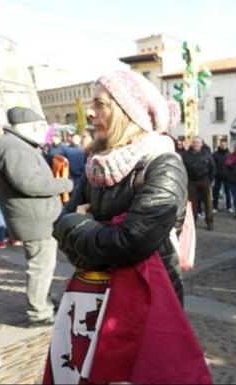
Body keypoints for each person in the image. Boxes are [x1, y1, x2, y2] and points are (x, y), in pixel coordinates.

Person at [53, 70, 188, 303]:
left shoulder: (164, 164)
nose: (90, 112)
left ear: (128, 112)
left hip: (148, 298)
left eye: (100, 103)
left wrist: (78, 224)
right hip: (98, 291)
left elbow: (131, 244)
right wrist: (90, 236)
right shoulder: (96, 163)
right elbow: (59, 227)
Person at [0, 107, 74, 326]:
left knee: (42, 266)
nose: (43, 132)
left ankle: (42, 301)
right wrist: (65, 184)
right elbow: (29, 183)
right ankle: (39, 313)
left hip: (36, 218)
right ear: (30, 127)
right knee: (40, 267)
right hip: (34, 220)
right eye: (40, 127)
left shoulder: (14, 145)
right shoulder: (13, 147)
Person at [183, 138, 216, 230]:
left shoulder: (207, 155)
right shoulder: (185, 155)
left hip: (205, 181)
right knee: (192, 204)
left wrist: (209, 180)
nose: (195, 144)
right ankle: (193, 222)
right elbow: (183, 168)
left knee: (208, 203)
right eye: (194, 142)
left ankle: (210, 222)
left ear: (201, 144)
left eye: (197, 142)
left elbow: (213, 168)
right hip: (192, 182)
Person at [212, 139, 233, 213]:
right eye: (222, 144)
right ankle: (215, 206)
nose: (223, 146)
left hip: (227, 176)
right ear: (219, 145)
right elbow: (213, 165)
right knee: (216, 192)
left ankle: (229, 206)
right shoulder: (215, 154)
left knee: (228, 192)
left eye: (224, 145)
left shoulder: (230, 154)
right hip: (218, 176)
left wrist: (230, 173)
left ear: (226, 145)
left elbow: (232, 165)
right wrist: (215, 173)